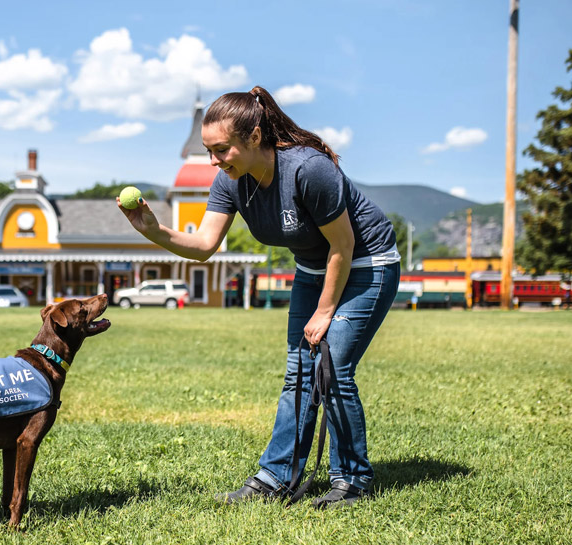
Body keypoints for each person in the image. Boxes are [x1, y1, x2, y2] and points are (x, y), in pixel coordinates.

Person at [119, 85, 400, 509]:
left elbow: (343, 245)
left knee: (333, 367)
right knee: (299, 372)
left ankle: (352, 480)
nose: (214, 160)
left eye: (221, 149)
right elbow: (204, 245)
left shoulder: (307, 170)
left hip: (366, 262)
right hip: (312, 267)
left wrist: (325, 312)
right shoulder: (230, 182)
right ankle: (276, 477)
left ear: (253, 137)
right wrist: (154, 231)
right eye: (208, 150)